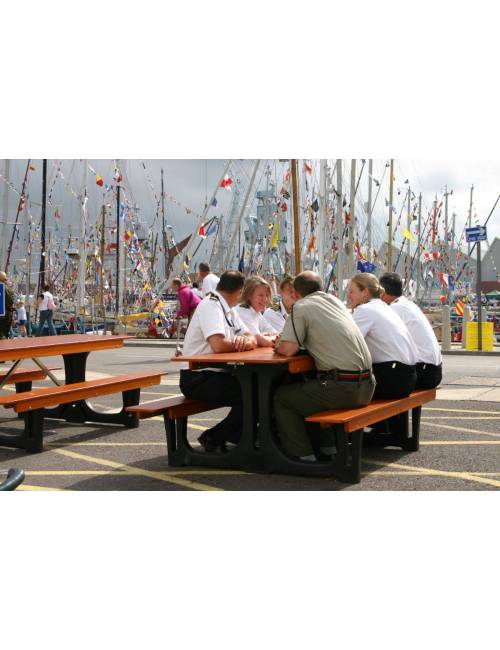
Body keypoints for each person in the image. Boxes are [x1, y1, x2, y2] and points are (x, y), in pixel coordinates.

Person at [274, 271, 375, 461]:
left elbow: (288, 349)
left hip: (344, 388)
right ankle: (328, 449)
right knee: (310, 387)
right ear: (320, 288)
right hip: (367, 386)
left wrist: (278, 344)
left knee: (282, 398)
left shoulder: (301, 306)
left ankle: (303, 456)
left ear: (295, 293)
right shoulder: (335, 302)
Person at [179, 270, 257, 452]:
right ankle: (214, 437)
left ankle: (238, 436)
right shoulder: (211, 306)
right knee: (253, 393)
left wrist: (245, 340)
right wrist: (244, 343)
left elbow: (250, 336)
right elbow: (218, 345)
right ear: (239, 292)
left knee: (257, 389)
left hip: (214, 374)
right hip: (197, 378)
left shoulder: (226, 308)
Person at [348, 273, 417, 399]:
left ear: (365, 292)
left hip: (394, 379)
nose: (349, 296)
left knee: (344, 392)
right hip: (409, 376)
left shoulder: (365, 310)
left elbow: (347, 343)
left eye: (351, 291)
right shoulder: (383, 306)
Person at [379, 272, 442, 389]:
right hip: (435, 370)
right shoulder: (408, 304)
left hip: (424, 372)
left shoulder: (395, 309)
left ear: (382, 293)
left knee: (378, 378)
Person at [236, 276, 279, 347]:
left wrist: (267, 336)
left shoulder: (256, 313)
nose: (265, 299)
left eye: (267, 295)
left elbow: (275, 332)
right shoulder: (243, 312)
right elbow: (262, 341)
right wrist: (267, 336)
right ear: (249, 295)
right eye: (261, 295)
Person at [0, 271, 14, 340]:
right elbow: (11, 301)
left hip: (3, 316)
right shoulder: (8, 289)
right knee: (4, 335)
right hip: (6, 315)